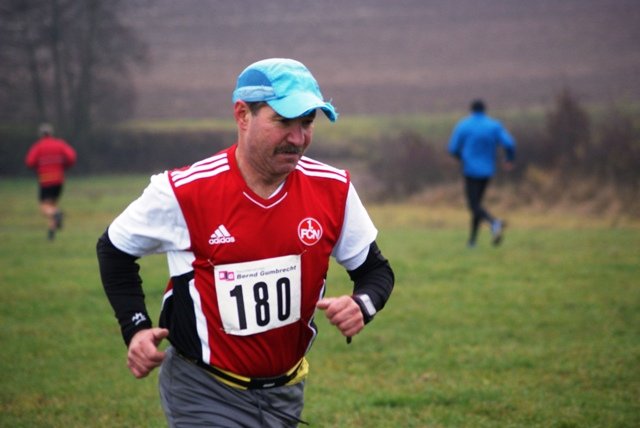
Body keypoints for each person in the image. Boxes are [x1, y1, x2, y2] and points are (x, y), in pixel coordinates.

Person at [96, 58, 395, 427]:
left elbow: (375, 271)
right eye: (283, 121)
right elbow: (114, 249)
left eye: (307, 123)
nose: (297, 138)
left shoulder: (333, 189)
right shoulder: (183, 192)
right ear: (242, 115)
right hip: (202, 390)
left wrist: (362, 304)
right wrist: (136, 327)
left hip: (285, 393)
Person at [448, 99, 516, 247]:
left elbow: (452, 148)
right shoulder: (494, 125)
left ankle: (493, 222)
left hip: (470, 170)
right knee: (477, 205)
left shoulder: (464, 125)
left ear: (471, 110)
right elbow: (510, 143)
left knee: (474, 206)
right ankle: (472, 242)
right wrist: (509, 159)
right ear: (484, 110)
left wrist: (462, 158)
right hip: (487, 170)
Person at [25, 123, 77, 240]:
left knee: (45, 208)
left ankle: (57, 213)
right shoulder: (59, 144)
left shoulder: (38, 146)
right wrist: (65, 166)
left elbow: (29, 162)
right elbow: (71, 157)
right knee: (52, 205)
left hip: (45, 180)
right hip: (59, 179)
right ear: (51, 133)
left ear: (41, 134)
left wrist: (39, 166)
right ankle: (51, 233)